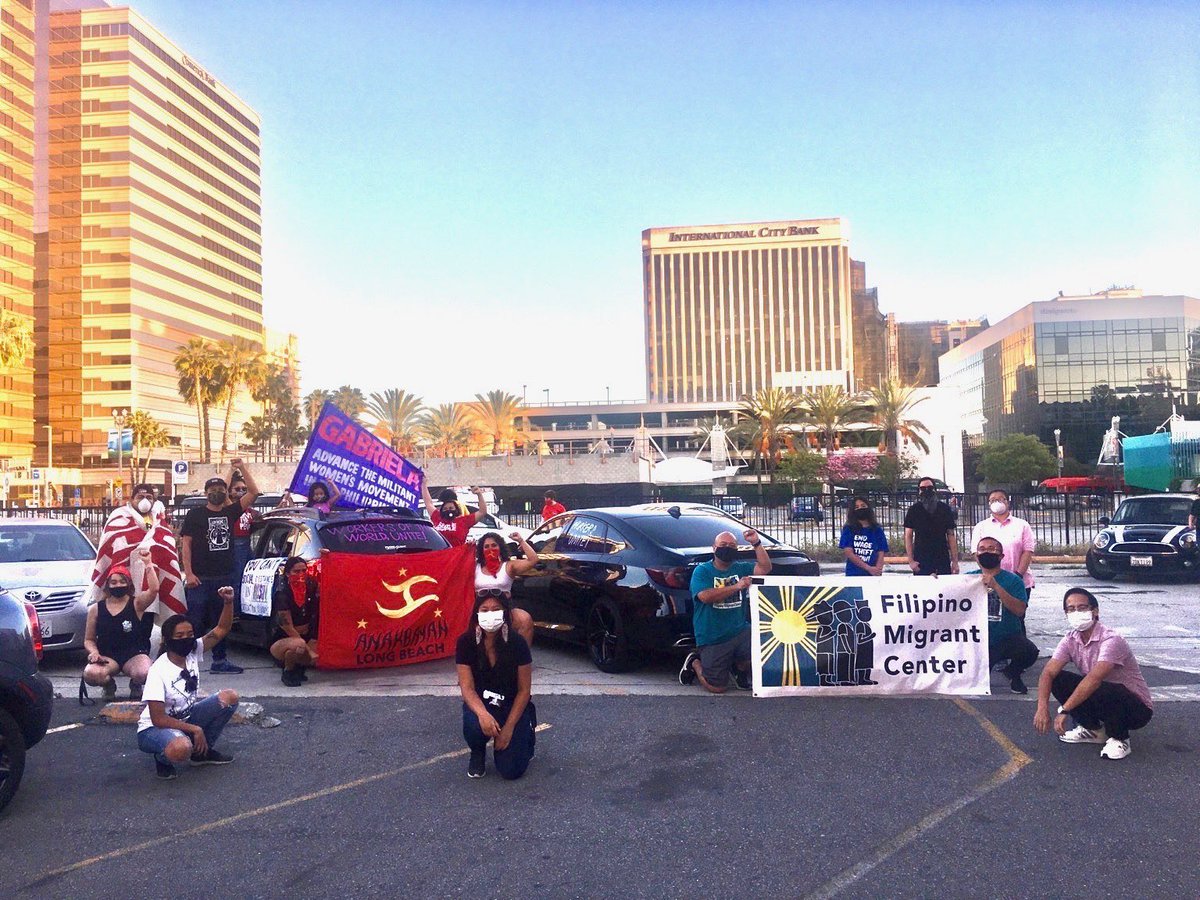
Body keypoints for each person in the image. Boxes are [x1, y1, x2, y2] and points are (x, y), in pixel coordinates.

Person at [1034, 587, 1153, 760]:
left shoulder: (1112, 639)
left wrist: (1064, 710)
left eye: (1082, 608)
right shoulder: (1070, 639)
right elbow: (1048, 672)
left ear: (1095, 611)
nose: (1077, 612)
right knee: (1059, 679)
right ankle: (1093, 730)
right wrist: (1042, 707)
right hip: (1103, 695)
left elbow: (1094, 679)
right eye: (1071, 609)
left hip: (1136, 708)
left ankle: (1120, 738)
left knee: (1101, 686)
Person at [136, 591, 240, 779]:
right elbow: (158, 719)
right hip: (153, 729)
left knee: (230, 698)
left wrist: (228, 602)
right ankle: (162, 758)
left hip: (186, 718)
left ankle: (202, 753)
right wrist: (195, 729)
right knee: (181, 748)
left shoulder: (192, 651)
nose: (186, 639)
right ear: (167, 640)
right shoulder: (158, 671)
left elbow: (221, 629)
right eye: (180, 635)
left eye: (190, 634)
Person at [179, 460, 260, 674]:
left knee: (221, 621)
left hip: (224, 577)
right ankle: (186, 661)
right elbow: (185, 544)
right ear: (206, 493)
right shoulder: (195, 515)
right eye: (212, 490)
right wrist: (188, 573)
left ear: (226, 493)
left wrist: (240, 468)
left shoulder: (231, 512)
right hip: (200, 578)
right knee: (194, 622)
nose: (216, 492)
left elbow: (254, 492)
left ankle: (220, 660)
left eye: (220, 489)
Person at [679, 529, 772, 693]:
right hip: (713, 636)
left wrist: (756, 543)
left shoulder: (740, 568)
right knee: (717, 687)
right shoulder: (702, 571)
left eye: (731, 546)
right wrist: (737, 586)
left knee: (766, 641)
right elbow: (705, 597)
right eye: (723, 545)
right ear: (714, 548)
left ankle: (739, 670)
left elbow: (765, 568)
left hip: (739, 630)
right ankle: (695, 662)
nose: (727, 548)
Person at [455, 592, 535, 780]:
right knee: (474, 724)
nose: (490, 614)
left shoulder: (517, 643)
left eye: (496, 609)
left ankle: (527, 728)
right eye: (485, 610)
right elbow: (467, 688)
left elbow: (524, 690)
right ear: (476, 614)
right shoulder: (465, 642)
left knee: (511, 771)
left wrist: (508, 729)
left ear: (505, 614)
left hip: (510, 705)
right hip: (483, 704)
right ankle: (477, 751)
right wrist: (483, 715)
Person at [82, 551, 158, 701]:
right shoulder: (95, 609)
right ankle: (109, 685)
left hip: (134, 654)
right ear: (108, 585)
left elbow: (154, 590)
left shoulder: (136, 604)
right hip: (108, 656)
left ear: (129, 584)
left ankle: (136, 684)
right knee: (91, 674)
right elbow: (88, 639)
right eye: (114, 582)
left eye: (122, 581)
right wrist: (94, 652)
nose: (118, 585)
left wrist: (148, 563)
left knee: (145, 673)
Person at [972, 536, 1038, 694]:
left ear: (1001, 556)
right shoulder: (968, 578)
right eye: (982, 549)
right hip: (977, 641)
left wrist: (996, 586)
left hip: (1005, 638)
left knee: (1029, 652)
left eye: (991, 549)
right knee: (978, 682)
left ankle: (1013, 673)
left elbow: (1019, 610)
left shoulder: (1013, 580)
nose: (986, 552)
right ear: (976, 555)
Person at [474, 531, 538, 646]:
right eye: (486, 546)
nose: (490, 549)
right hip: (480, 610)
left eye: (494, 545)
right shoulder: (475, 567)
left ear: (500, 547)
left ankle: (522, 659)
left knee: (525, 620)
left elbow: (533, 560)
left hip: (505, 609)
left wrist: (520, 540)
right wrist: (468, 548)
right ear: (481, 550)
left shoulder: (509, 566)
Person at [970, 488, 1035, 596]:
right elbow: (976, 553)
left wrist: (1016, 577)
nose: (997, 502)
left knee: (1016, 611)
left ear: (1007, 502)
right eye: (993, 500)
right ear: (989, 504)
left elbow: (1028, 551)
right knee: (991, 613)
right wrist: (989, 575)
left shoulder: (1022, 525)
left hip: (1019, 581)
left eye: (1001, 499)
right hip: (990, 582)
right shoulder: (981, 527)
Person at [270, 557, 320, 687]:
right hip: (285, 638)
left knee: (312, 644)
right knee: (298, 645)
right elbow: (287, 627)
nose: (300, 575)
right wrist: (309, 651)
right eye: (296, 572)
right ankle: (288, 670)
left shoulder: (311, 587)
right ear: (287, 573)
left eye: (304, 571)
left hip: (306, 633)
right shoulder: (282, 594)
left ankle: (300, 668)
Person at [904, 476, 959, 575]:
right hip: (921, 559)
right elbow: (908, 536)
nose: (926, 491)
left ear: (934, 489)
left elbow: (951, 535)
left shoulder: (945, 509)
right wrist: (911, 561)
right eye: (923, 488)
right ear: (919, 491)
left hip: (942, 557)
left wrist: (955, 562)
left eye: (929, 488)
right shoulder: (913, 510)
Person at [420, 481, 488, 547]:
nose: (448, 510)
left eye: (451, 508)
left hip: (456, 556)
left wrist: (479, 494)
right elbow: (428, 503)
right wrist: (423, 484)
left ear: (456, 510)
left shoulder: (463, 521)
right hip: (441, 555)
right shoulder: (437, 517)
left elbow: (482, 512)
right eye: (445, 509)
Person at [229, 476, 261, 607]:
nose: (241, 491)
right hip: (235, 544)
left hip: (246, 544)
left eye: (244, 489)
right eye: (237, 489)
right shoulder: (229, 507)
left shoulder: (250, 511)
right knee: (238, 579)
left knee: (247, 578)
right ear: (230, 491)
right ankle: (235, 611)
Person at [839, 497, 887, 576]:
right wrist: (868, 568)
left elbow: (881, 552)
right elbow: (848, 552)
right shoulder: (849, 529)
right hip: (854, 574)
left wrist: (877, 570)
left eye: (863, 506)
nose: (860, 509)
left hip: (873, 575)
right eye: (857, 507)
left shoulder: (877, 530)